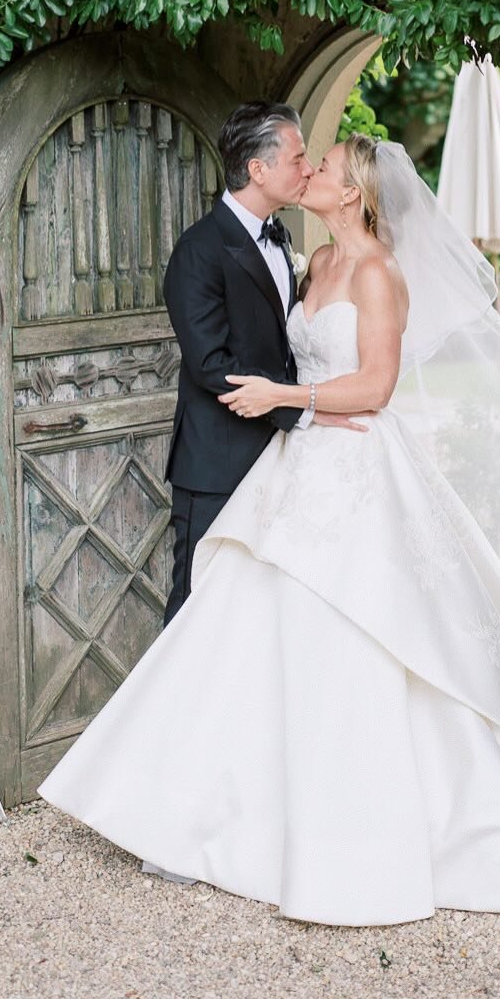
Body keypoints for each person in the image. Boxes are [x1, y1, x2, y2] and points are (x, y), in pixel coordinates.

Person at [39, 136, 500, 926]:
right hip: (300, 466)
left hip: (359, 471)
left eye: (323, 166)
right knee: (243, 628)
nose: (311, 173)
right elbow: (304, 367)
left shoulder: (376, 272)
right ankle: (213, 811)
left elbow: (375, 385)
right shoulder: (313, 264)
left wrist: (288, 400)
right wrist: (293, 399)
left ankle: (383, 832)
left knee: (366, 634)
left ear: (355, 190)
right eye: (308, 160)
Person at [159, 101, 361, 626]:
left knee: (254, 616)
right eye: (297, 158)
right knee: (195, 606)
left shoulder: (283, 238)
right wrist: (302, 410)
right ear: (258, 169)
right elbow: (211, 365)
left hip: (282, 460)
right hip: (217, 464)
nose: (307, 168)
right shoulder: (198, 251)